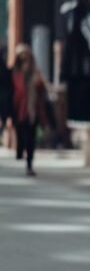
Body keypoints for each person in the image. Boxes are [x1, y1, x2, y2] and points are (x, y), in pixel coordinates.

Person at [11, 44, 48, 176]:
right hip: (18, 110)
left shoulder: (35, 72)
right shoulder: (14, 73)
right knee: (22, 135)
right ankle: (20, 151)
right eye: (22, 56)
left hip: (32, 110)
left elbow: (43, 90)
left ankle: (29, 164)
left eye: (26, 55)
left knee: (31, 138)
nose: (24, 58)